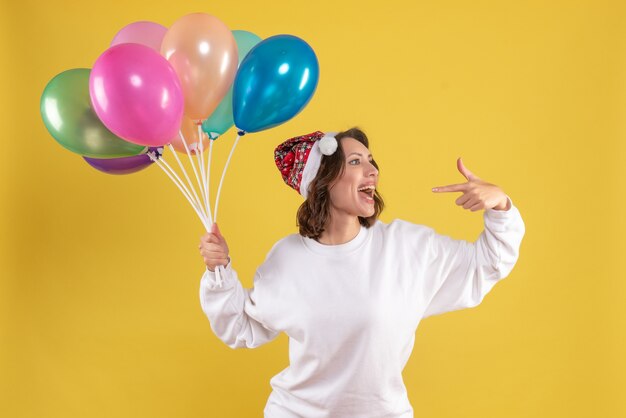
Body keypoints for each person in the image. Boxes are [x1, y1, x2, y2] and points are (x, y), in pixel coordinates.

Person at [198, 128, 525, 418]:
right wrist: (219, 271)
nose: (373, 171)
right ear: (322, 180)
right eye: (356, 162)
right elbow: (244, 328)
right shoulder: (287, 258)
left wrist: (501, 207)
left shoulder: (406, 248)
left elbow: (485, 266)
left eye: (371, 161)